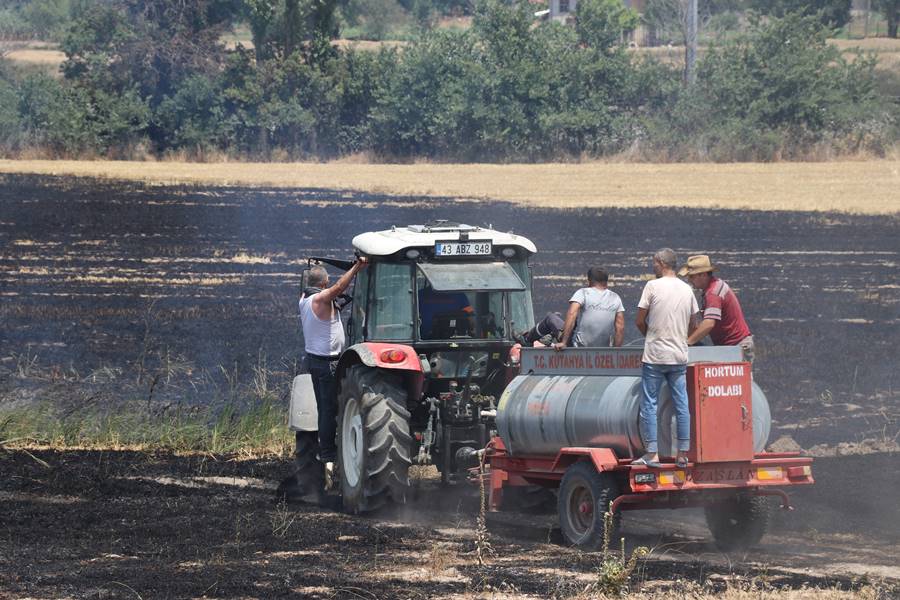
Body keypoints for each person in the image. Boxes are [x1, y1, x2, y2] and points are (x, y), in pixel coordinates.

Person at [299, 258, 367, 488]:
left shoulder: (304, 299)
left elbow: (333, 295)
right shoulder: (319, 299)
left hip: (315, 362)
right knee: (328, 411)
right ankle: (328, 456)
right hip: (327, 364)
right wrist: (357, 268)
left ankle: (329, 453)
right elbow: (338, 289)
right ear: (324, 283)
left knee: (324, 409)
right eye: (327, 283)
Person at [633, 249, 698, 468]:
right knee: (681, 404)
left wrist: (651, 336)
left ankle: (652, 453)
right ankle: (682, 454)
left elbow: (639, 320)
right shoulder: (687, 289)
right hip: (679, 356)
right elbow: (694, 324)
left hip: (655, 355)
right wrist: (681, 338)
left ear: (661, 263)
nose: (653, 265)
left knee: (650, 403)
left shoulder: (652, 286)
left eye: (654, 262)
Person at [680, 255, 754, 363]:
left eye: (691, 276)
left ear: (703, 275)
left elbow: (709, 323)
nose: (689, 280)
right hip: (731, 347)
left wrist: (688, 343)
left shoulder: (713, 293)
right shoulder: (715, 286)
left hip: (737, 347)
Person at [553, 267, 625, 351]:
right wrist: (615, 352)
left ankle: (534, 341)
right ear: (606, 281)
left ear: (589, 280)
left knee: (550, 319)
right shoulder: (615, 298)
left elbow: (572, 314)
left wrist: (564, 342)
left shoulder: (583, 293)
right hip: (604, 350)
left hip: (578, 347)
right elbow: (620, 328)